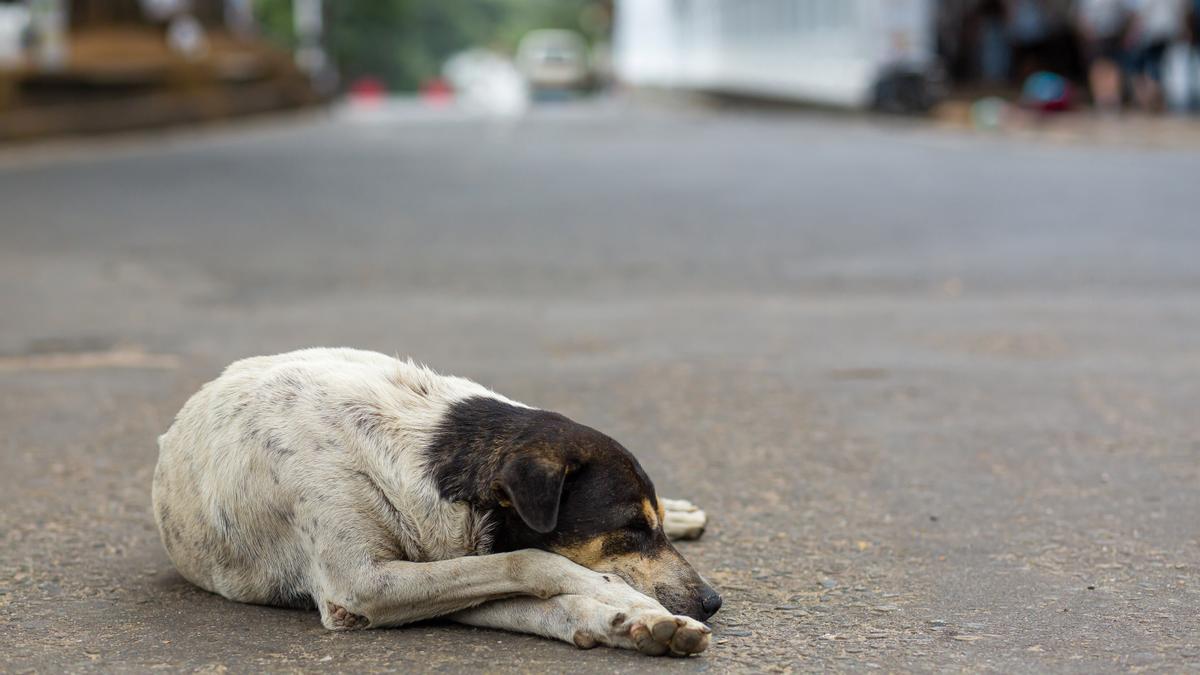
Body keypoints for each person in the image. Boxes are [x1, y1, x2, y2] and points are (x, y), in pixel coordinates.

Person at [1123, 0, 1188, 110]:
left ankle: (1149, 101)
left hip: (1153, 35)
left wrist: (1132, 34)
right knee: (1159, 70)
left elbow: (1141, 13)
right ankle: (1153, 101)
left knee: (1152, 71)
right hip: (1168, 33)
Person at [1075, 0, 1131, 111]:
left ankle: (1113, 98)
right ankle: (1101, 99)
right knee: (1098, 68)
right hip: (1096, 37)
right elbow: (1081, 17)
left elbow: (1125, 14)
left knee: (1112, 68)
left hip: (1113, 36)